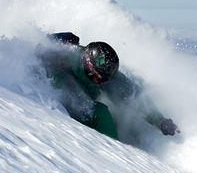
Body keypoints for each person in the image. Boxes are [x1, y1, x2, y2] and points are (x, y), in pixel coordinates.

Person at [38, 32, 179, 141]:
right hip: (60, 114)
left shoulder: (102, 71)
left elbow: (132, 95)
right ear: (89, 69)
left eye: (107, 78)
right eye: (101, 78)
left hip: (79, 100)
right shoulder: (57, 67)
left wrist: (159, 120)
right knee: (101, 114)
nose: (103, 82)